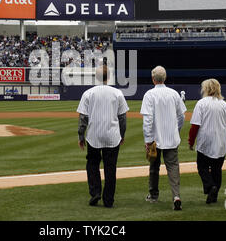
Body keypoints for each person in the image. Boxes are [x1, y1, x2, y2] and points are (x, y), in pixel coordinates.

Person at [76, 65, 129, 208]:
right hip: (112, 136)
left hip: (94, 135)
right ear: (109, 77)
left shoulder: (88, 93)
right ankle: (108, 199)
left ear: (96, 77)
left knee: (92, 164)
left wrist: (81, 136)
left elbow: (83, 119)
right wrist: (122, 134)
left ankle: (95, 192)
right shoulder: (117, 93)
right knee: (110, 168)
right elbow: (122, 118)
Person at [140, 66, 186, 211]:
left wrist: (147, 139)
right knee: (173, 167)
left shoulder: (149, 94)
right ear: (164, 78)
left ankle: (153, 195)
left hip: (155, 138)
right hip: (171, 138)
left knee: (154, 167)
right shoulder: (173, 94)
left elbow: (147, 120)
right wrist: (176, 130)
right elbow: (182, 116)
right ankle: (176, 196)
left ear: (153, 79)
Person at [188, 78, 226, 204]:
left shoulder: (201, 103)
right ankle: (213, 194)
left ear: (206, 89)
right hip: (220, 143)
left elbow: (195, 126)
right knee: (217, 169)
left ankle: (210, 187)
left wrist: (191, 141)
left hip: (205, 142)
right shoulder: (223, 104)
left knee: (202, 167)